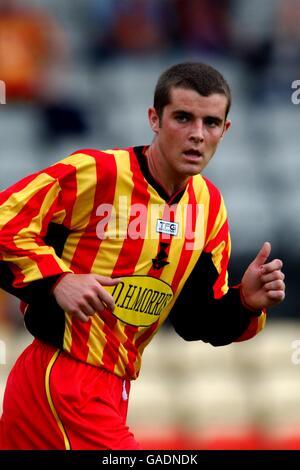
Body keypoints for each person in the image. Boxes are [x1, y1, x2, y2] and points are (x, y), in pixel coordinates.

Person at [0, 62, 285, 450]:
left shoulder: (210, 207)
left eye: (211, 123)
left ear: (226, 130)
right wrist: (57, 280)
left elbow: (193, 319)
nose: (197, 135)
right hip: (65, 380)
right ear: (154, 118)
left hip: (109, 389)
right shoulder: (96, 172)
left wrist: (245, 302)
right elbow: (5, 222)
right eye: (182, 118)